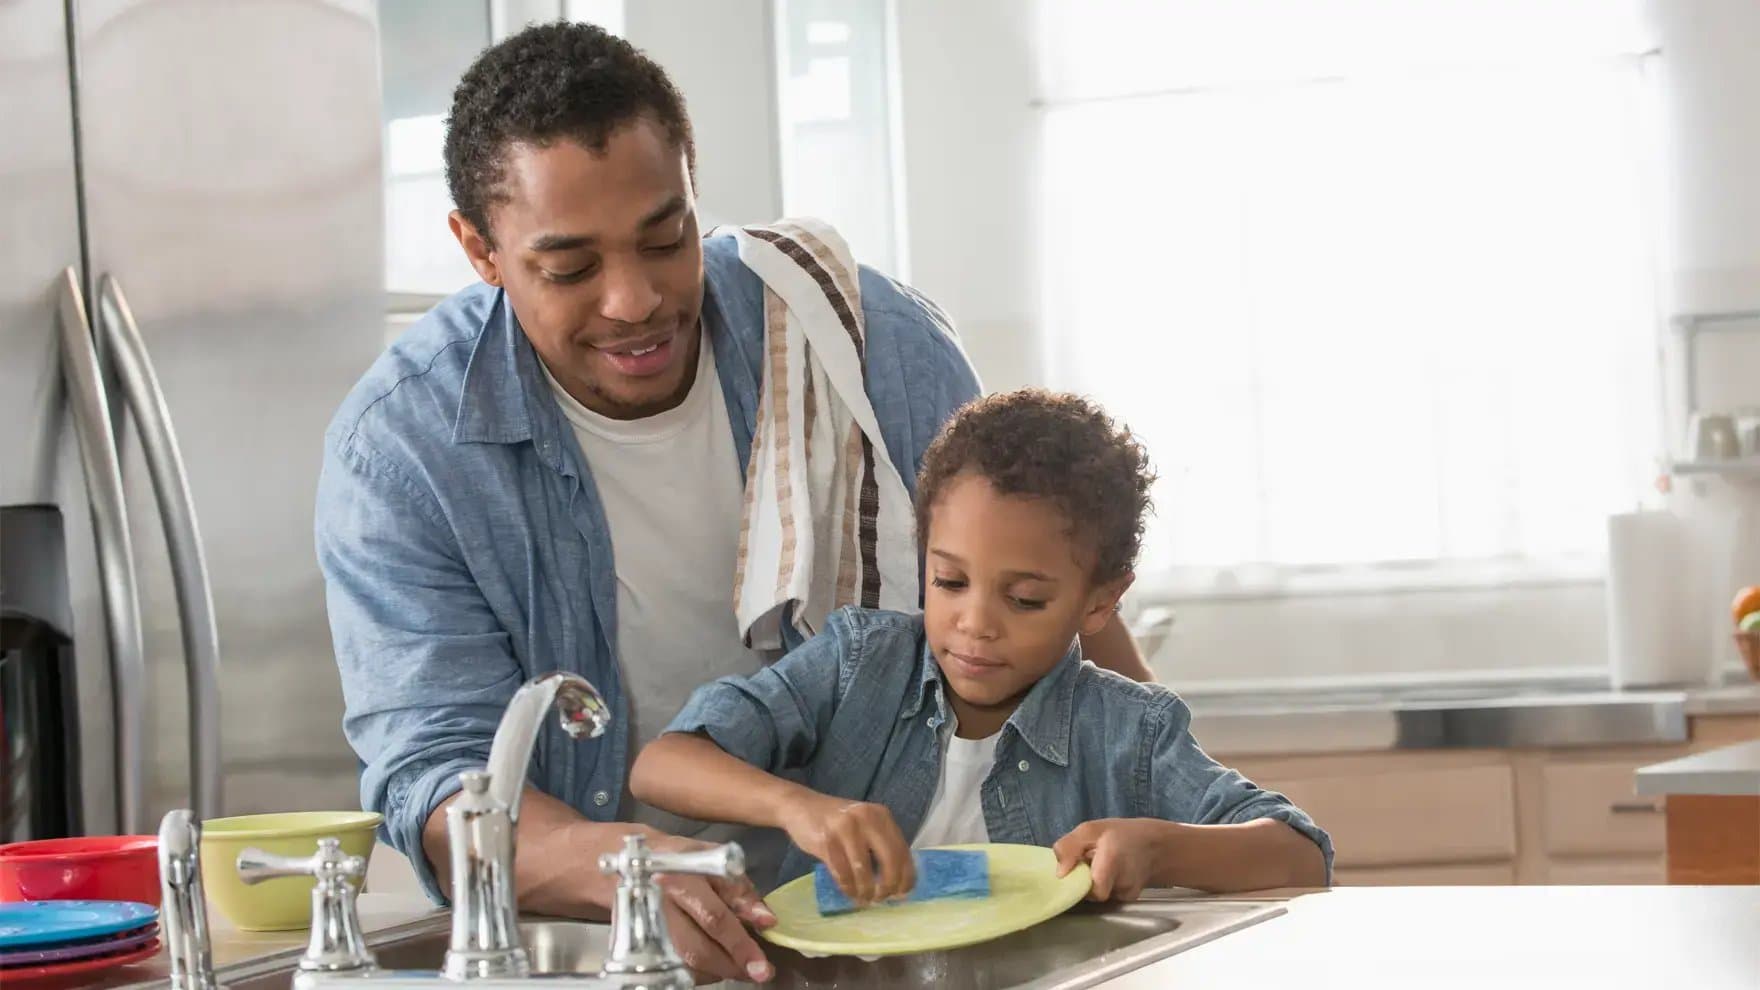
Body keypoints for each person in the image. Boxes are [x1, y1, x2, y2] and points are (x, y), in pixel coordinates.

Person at [316, 22, 1153, 984]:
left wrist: (1182, 816)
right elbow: (437, 777)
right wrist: (634, 874)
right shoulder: (402, 450)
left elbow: (1058, 581)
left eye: (665, 239)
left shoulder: (869, 348)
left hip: (905, 920)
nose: (633, 301)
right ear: (479, 249)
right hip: (618, 944)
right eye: (570, 267)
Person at [632, 390, 1332, 905]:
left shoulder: (1128, 731)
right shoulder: (857, 664)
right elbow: (663, 766)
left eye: (1024, 599)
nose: (975, 622)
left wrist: (1158, 844)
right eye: (949, 580)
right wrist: (797, 807)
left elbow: (1301, 857)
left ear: (1100, 600)